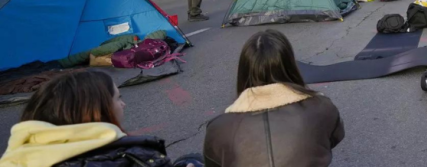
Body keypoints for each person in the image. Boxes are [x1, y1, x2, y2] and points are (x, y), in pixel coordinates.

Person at [0, 71, 203, 167]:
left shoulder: (16, 157)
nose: (123, 104)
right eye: (118, 98)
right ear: (94, 111)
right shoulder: (130, 159)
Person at [205, 30, 344, 166]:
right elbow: (334, 138)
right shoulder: (321, 107)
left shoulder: (219, 127)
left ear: (244, 70)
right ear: (290, 65)